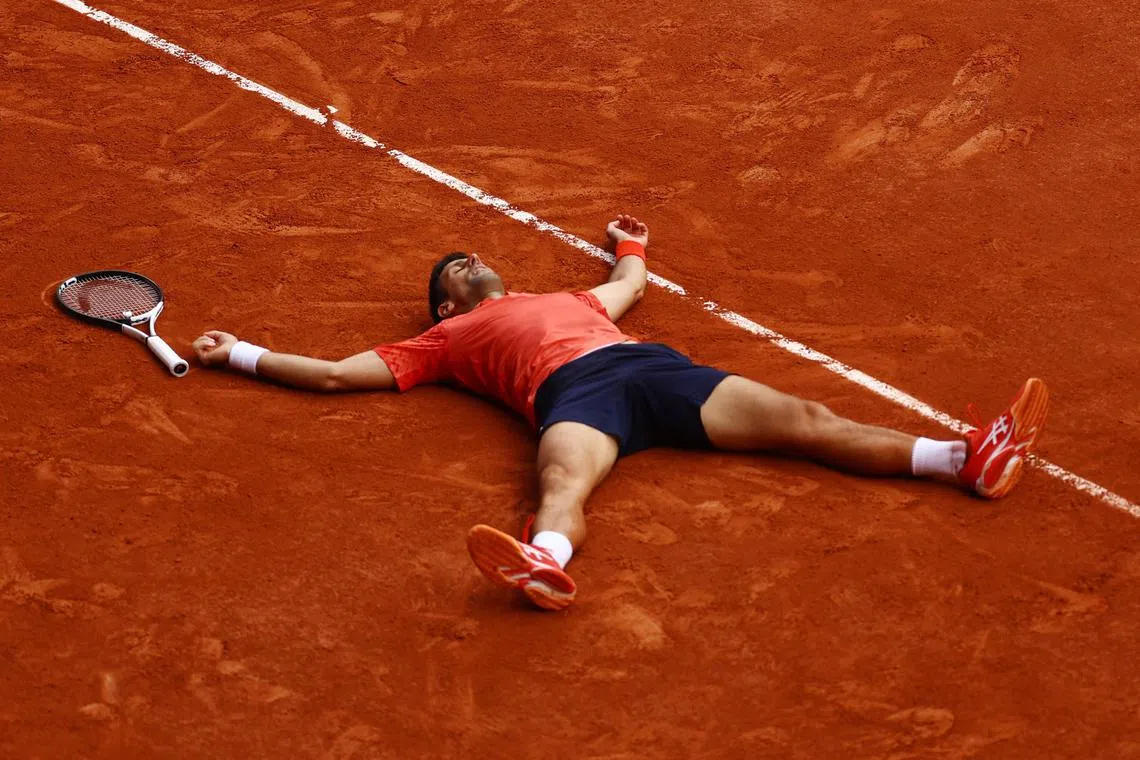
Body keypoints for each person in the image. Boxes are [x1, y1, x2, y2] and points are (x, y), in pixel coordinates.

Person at [192, 215, 1049, 611]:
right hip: (573, 398)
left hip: (650, 370)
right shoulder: (443, 341)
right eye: (455, 267)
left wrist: (628, 245)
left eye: (473, 254)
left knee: (808, 419)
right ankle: (544, 562)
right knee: (562, 480)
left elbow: (628, 286)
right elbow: (335, 375)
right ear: (445, 307)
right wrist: (239, 353)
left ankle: (961, 459)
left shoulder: (570, 298)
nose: (471, 259)